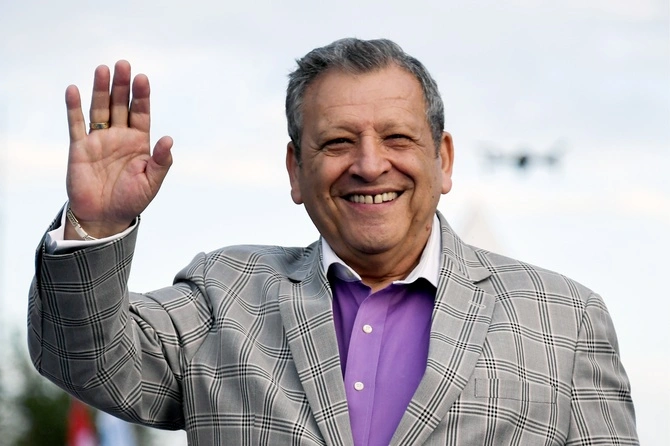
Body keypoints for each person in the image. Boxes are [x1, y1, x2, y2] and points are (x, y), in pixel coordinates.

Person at [27, 38, 638, 445]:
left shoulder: (566, 322)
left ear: (444, 160)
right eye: (339, 142)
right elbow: (84, 359)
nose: (370, 165)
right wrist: (96, 226)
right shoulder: (223, 296)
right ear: (296, 170)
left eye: (397, 138)